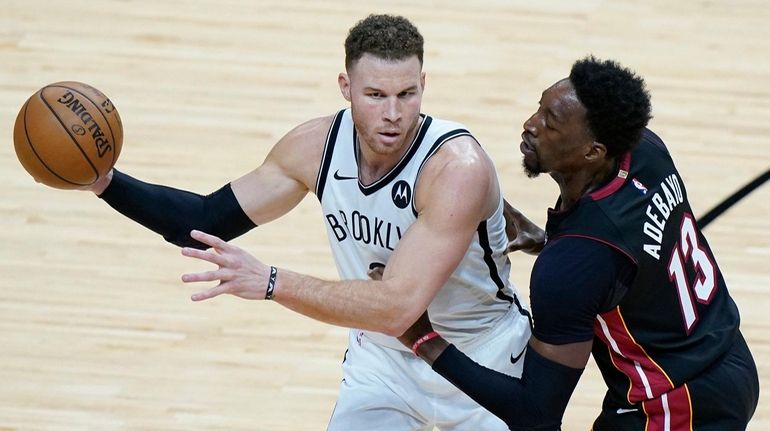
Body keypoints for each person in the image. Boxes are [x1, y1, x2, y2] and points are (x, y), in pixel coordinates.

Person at [84, 14, 543, 431]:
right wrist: (107, 183)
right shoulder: (313, 147)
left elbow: (398, 307)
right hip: (383, 362)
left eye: (407, 94)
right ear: (345, 86)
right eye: (375, 95)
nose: (393, 114)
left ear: (423, 83)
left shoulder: (455, 166)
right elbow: (204, 221)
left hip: (483, 359)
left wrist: (270, 281)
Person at [397, 56, 760, 430]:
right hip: (729, 359)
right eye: (539, 109)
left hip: (674, 406)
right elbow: (627, 252)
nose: (530, 125)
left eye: (550, 124)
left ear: (593, 151)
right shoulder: (644, 150)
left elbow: (535, 414)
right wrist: (548, 238)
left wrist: (423, 337)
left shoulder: (573, 262)